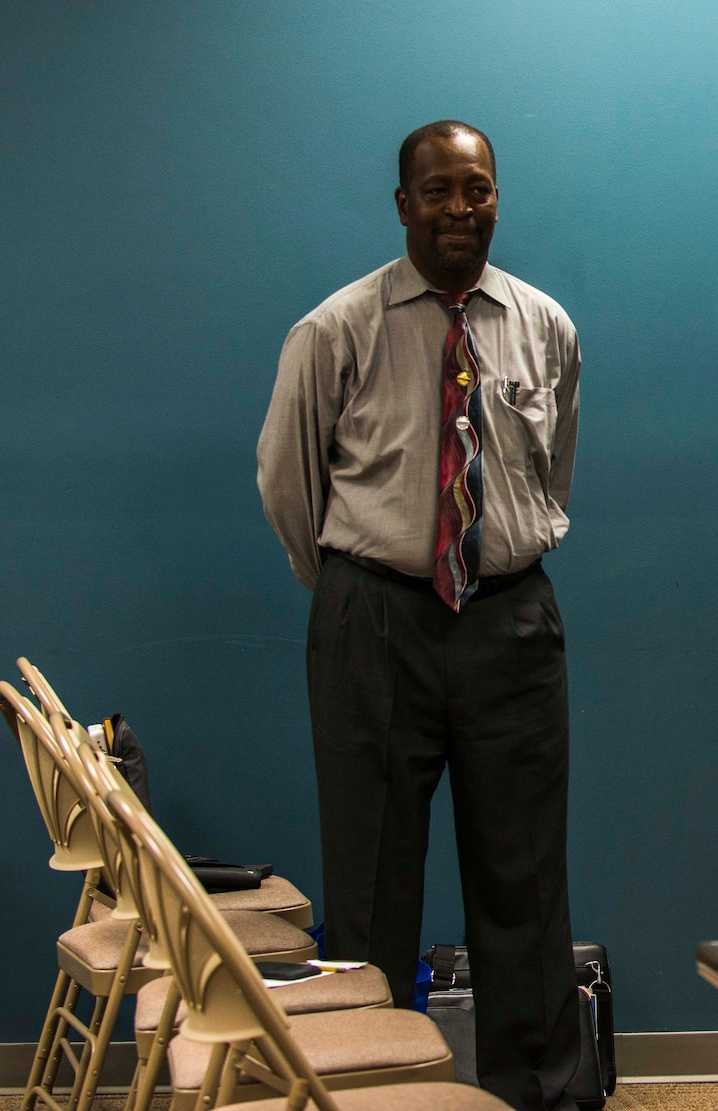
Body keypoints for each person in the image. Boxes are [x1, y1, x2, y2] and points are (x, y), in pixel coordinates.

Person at [257, 120, 586, 1109]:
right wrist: (362, 592)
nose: (458, 209)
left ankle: (541, 1091)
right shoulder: (335, 329)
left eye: (476, 190)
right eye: (438, 192)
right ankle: (370, 1091)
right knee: (368, 881)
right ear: (403, 204)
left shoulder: (544, 326)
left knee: (523, 880)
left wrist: (492, 557)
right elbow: (288, 482)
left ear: (496, 198)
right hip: (376, 621)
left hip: (510, 625)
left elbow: (551, 467)